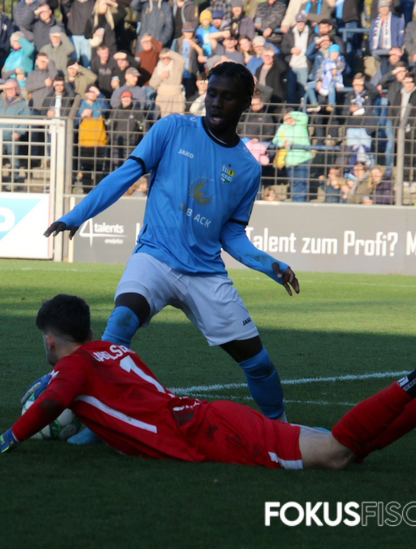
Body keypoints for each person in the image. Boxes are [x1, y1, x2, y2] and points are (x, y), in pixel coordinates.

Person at [41, 63, 300, 443]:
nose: (216, 102)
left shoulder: (247, 167)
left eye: (227, 97)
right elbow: (125, 175)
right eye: (212, 93)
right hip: (155, 257)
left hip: (205, 273)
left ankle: (281, 428)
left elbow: (231, 233)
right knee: (120, 325)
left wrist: (269, 264)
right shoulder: (173, 128)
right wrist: (77, 215)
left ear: (246, 103)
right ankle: (100, 426)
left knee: (259, 364)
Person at [0, 294, 416, 469]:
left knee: (334, 452)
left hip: (209, 433)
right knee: (348, 454)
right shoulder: (112, 351)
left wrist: (4, 441)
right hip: (205, 419)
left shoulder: (69, 369)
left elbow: (55, 401)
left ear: (50, 341)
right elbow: (123, 405)